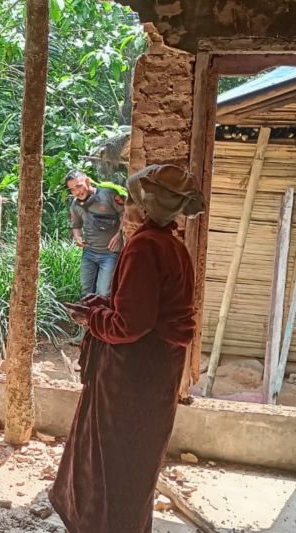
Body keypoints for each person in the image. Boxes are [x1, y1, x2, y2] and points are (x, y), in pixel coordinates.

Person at [50, 164, 205, 533]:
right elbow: (147, 311)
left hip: (132, 376)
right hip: (156, 372)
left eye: (132, 198)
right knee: (135, 462)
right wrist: (103, 305)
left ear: (148, 208)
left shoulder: (145, 247)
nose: (125, 202)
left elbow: (129, 326)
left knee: (112, 466)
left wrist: (92, 318)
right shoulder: (173, 246)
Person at [65, 170, 124, 299]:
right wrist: (78, 237)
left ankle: (103, 317)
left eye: (79, 186)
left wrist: (120, 234)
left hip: (110, 253)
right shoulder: (75, 205)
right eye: (72, 189)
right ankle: (88, 317)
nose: (77, 192)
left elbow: (126, 214)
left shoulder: (108, 195)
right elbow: (76, 225)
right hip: (89, 253)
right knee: (86, 292)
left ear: (87, 181)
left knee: (103, 293)